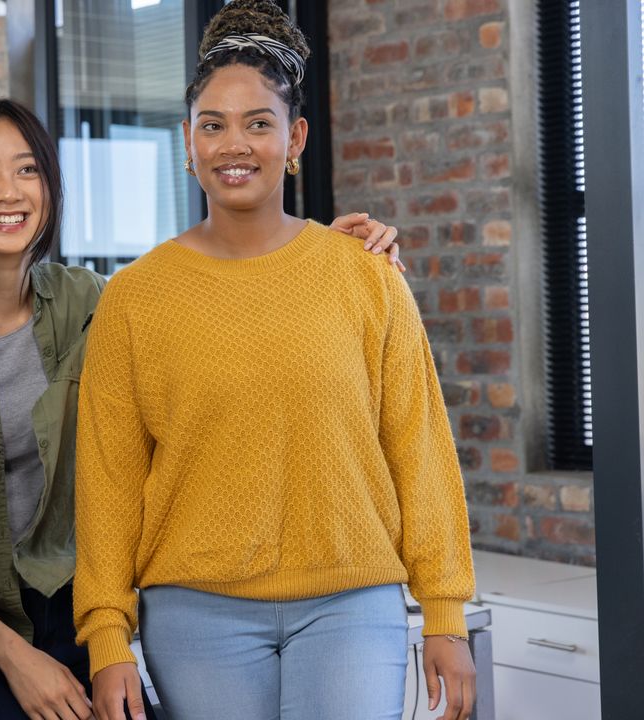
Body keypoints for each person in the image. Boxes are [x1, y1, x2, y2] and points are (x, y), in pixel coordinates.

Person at [0, 99, 403, 720]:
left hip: (81, 604)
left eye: (27, 170)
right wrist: (14, 655)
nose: (8, 192)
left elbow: (207, 330)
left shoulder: (92, 301)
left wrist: (306, 261)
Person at [73, 2, 477, 720]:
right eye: (214, 124)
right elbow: (109, 481)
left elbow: (420, 449)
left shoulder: (367, 276)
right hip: (194, 615)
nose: (236, 144)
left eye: (259, 123)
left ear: (294, 139)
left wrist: (444, 609)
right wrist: (108, 636)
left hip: (352, 602)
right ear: (187, 143)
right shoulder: (134, 299)